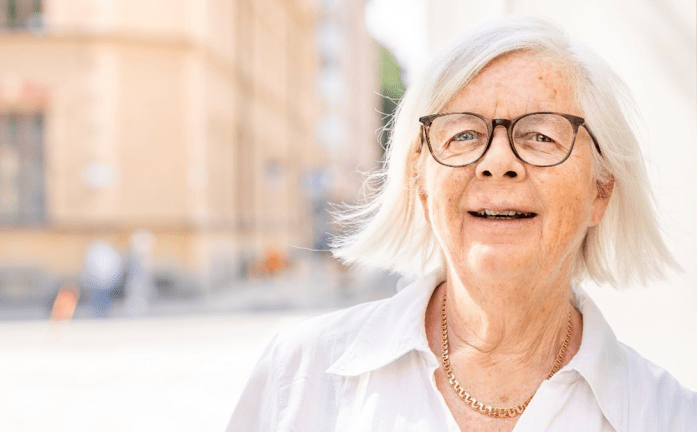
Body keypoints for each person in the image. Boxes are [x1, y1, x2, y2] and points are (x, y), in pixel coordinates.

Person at [225, 16, 696, 431]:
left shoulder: (669, 417)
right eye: (464, 133)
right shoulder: (300, 376)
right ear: (421, 183)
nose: (497, 162)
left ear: (601, 190)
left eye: (540, 135)